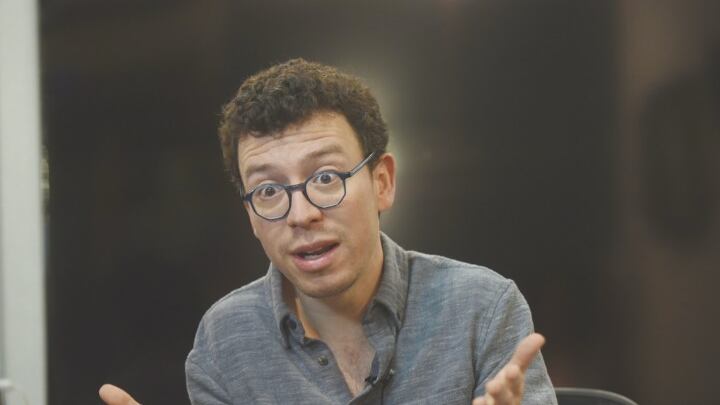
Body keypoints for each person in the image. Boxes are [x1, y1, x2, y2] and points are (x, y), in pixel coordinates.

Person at [99, 59, 556, 405]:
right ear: (251, 215)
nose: (301, 215)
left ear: (382, 182)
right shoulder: (225, 341)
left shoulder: (482, 309)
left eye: (325, 178)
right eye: (268, 190)